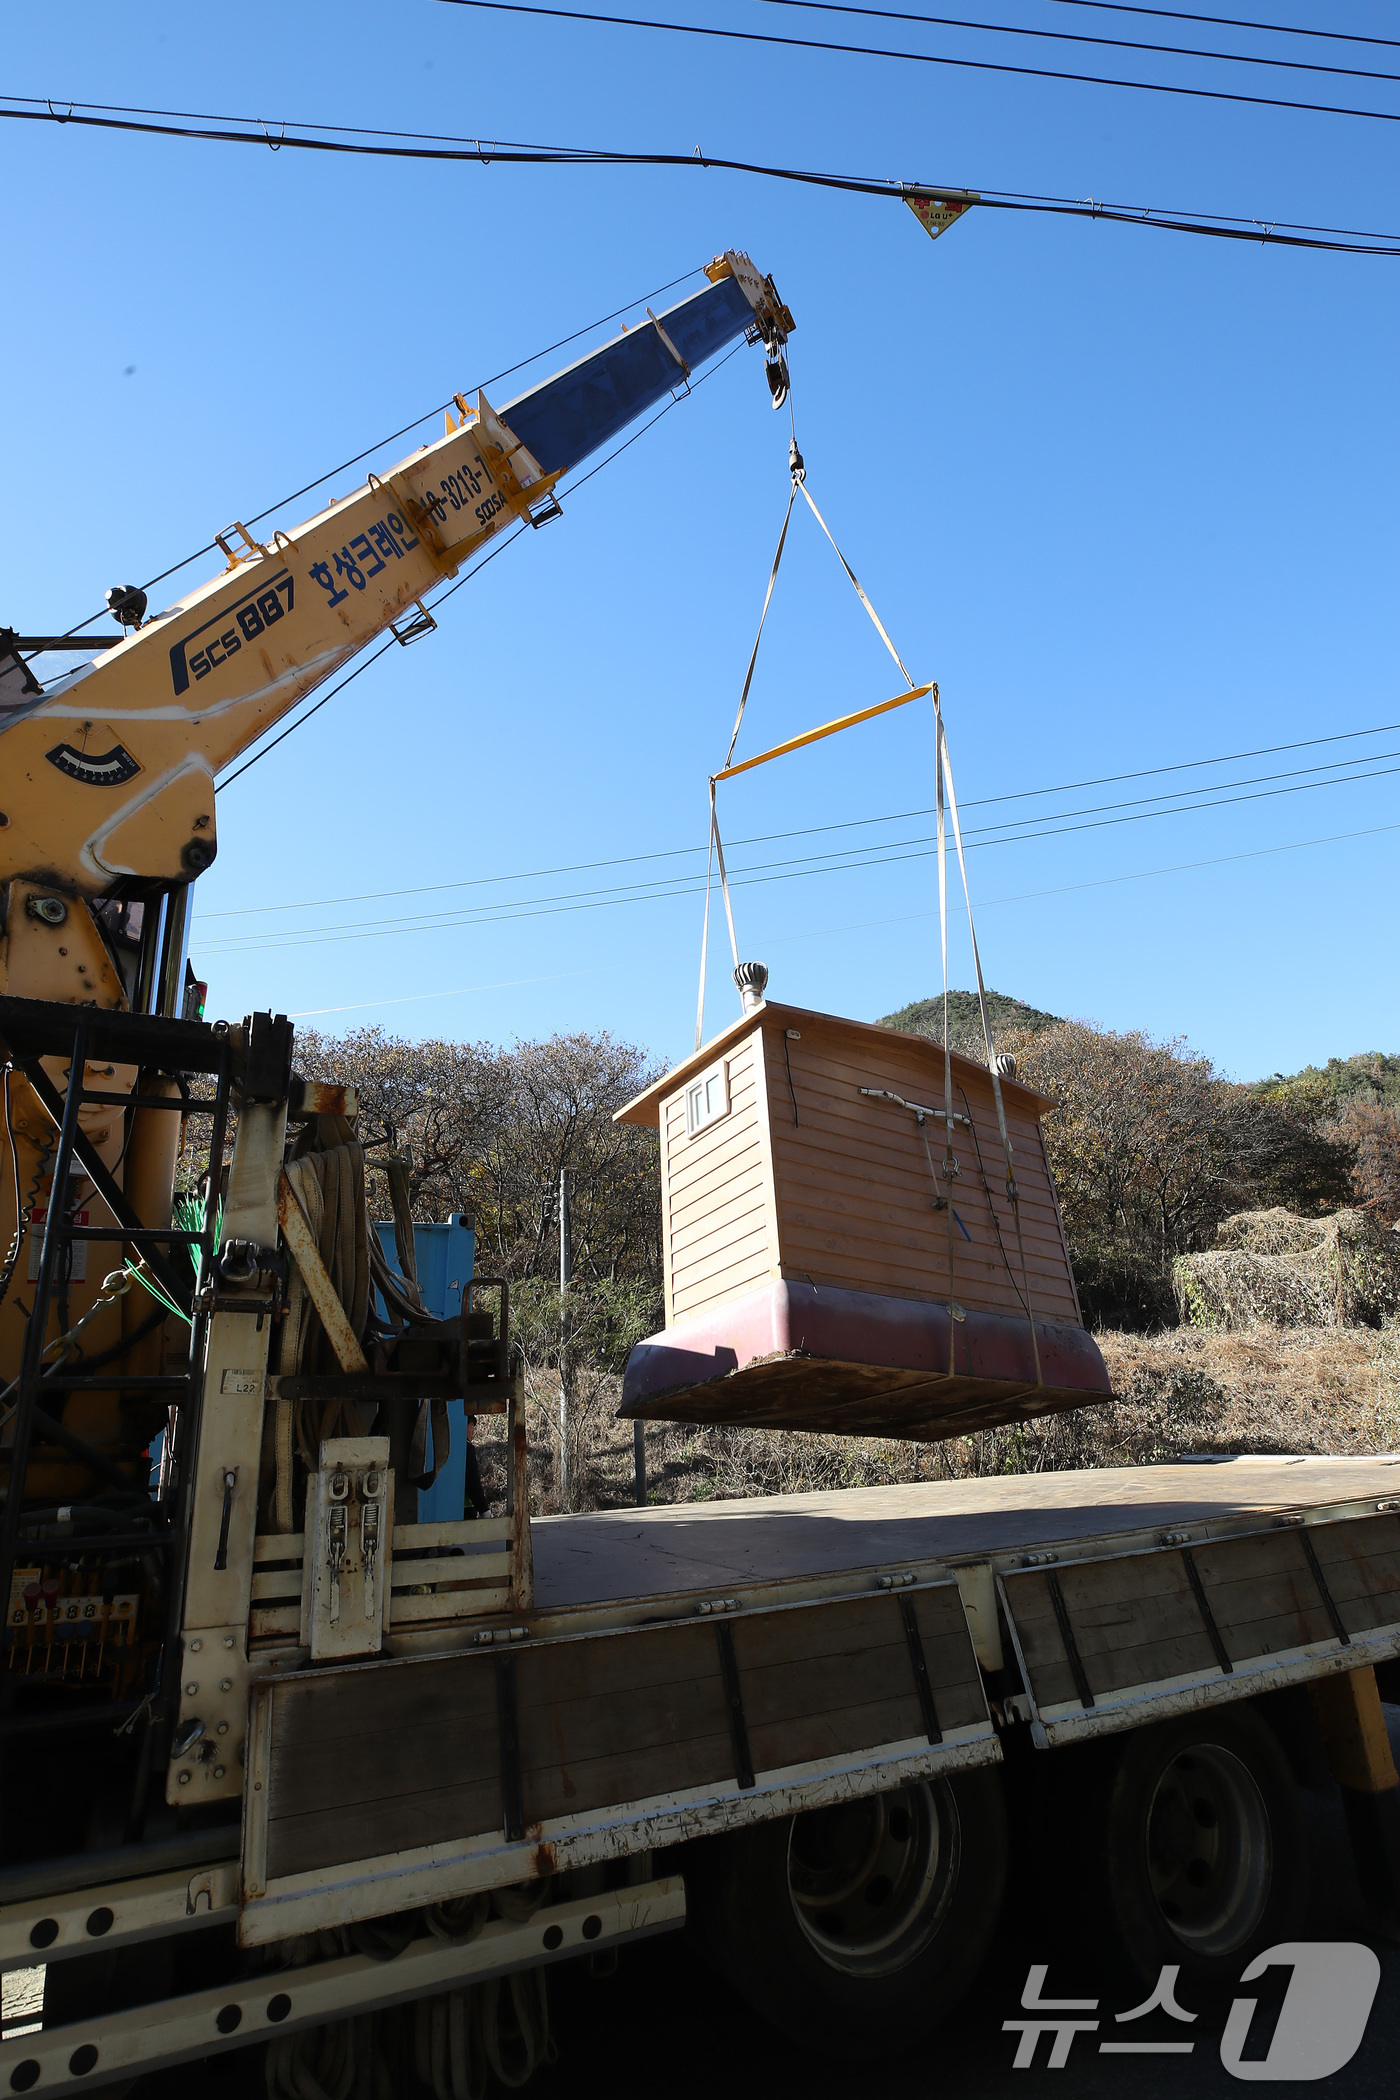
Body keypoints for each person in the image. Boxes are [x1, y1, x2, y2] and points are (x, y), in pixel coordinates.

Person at [463, 1411, 490, 1520]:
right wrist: (484, 1509)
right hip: (466, 1508)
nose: (473, 1432)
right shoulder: (467, 1448)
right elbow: (472, 1481)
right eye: (471, 1427)